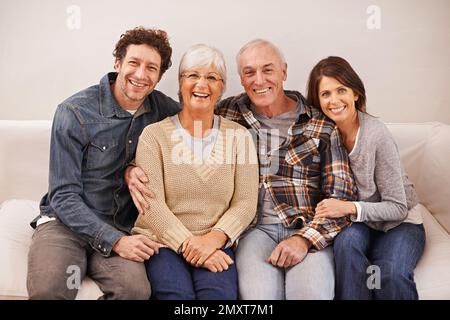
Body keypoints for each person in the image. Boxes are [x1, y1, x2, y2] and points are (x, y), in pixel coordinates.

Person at [127, 39, 357, 300]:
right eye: (249, 73)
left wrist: (303, 240)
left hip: (283, 231)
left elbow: (337, 199)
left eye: (267, 70)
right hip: (224, 235)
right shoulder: (180, 126)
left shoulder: (315, 125)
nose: (259, 80)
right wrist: (131, 168)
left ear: (284, 72)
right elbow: (152, 199)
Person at [26, 27, 180, 300]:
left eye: (151, 68)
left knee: (135, 291)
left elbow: (200, 122)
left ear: (159, 76)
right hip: (66, 224)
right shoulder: (74, 112)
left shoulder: (164, 111)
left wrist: (131, 167)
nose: (141, 75)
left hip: (120, 223)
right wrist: (116, 241)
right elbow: (63, 195)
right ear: (118, 63)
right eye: (133, 63)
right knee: (50, 290)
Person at [130, 44, 259, 300]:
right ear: (180, 83)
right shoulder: (153, 136)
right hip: (162, 242)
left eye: (212, 77)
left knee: (220, 297)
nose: (202, 84)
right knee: (175, 296)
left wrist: (213, 240)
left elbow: (245, 203)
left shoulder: (239, 136)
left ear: (222, 88)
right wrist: (190, 245)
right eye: (193, 75)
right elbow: (151, 205)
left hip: (215, 241)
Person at [306, 56, 425, 300]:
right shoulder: (322, 135)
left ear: (355, 94)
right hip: (358, 223)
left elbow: (398, 208)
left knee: (389, 274)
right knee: (346, 246)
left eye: (341, 90)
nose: (334, 100)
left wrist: (347, 207)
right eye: (325, 94)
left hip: (399, 223)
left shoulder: (375, 135)